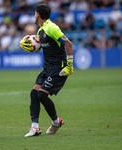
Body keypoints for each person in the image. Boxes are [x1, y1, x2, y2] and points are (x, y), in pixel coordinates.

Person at [20, 3, 74, 137]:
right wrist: (33, 46)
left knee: (42, 94)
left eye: (34, 13)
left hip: (58, 68)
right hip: (47, 68)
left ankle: (56, 122)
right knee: (34, 93)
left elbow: (68, 43)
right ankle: (35, 128)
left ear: (38, 14)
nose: (34, 15)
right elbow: (44, 46)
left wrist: (69, 66)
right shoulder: (40, 30)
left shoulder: (52, 28)